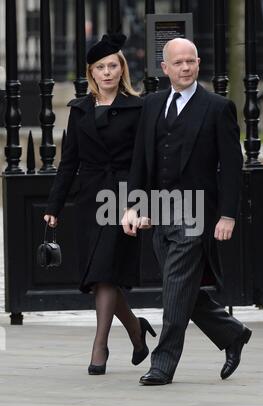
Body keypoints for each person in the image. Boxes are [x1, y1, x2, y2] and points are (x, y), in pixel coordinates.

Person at [122, 38, 252, 386]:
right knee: (181, 289)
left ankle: (163, 364)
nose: (186, 68)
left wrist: (227, 215)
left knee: (175, 289)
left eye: (191, 61)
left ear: (198, 64)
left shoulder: (217, 107)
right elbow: (140, 162)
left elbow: (232, 165)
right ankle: (232, 333)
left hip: (197, 214)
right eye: (178, 63)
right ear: (164, 69)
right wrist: (133, 205)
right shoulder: (151, 105)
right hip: (160, 212)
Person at [44, 33, 156, 375]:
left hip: (123, 198)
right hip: (90, 198)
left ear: (121, 69)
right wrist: (54, 206)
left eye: (113, 66)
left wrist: (141, 203)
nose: (107, 72)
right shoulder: (79, 109)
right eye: (100, 67)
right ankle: (136, 331)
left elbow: (146, 160)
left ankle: (100, 346)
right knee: (99, 275)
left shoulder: (139, 107)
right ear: (91, 73)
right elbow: (69, 162)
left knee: (105, 271)